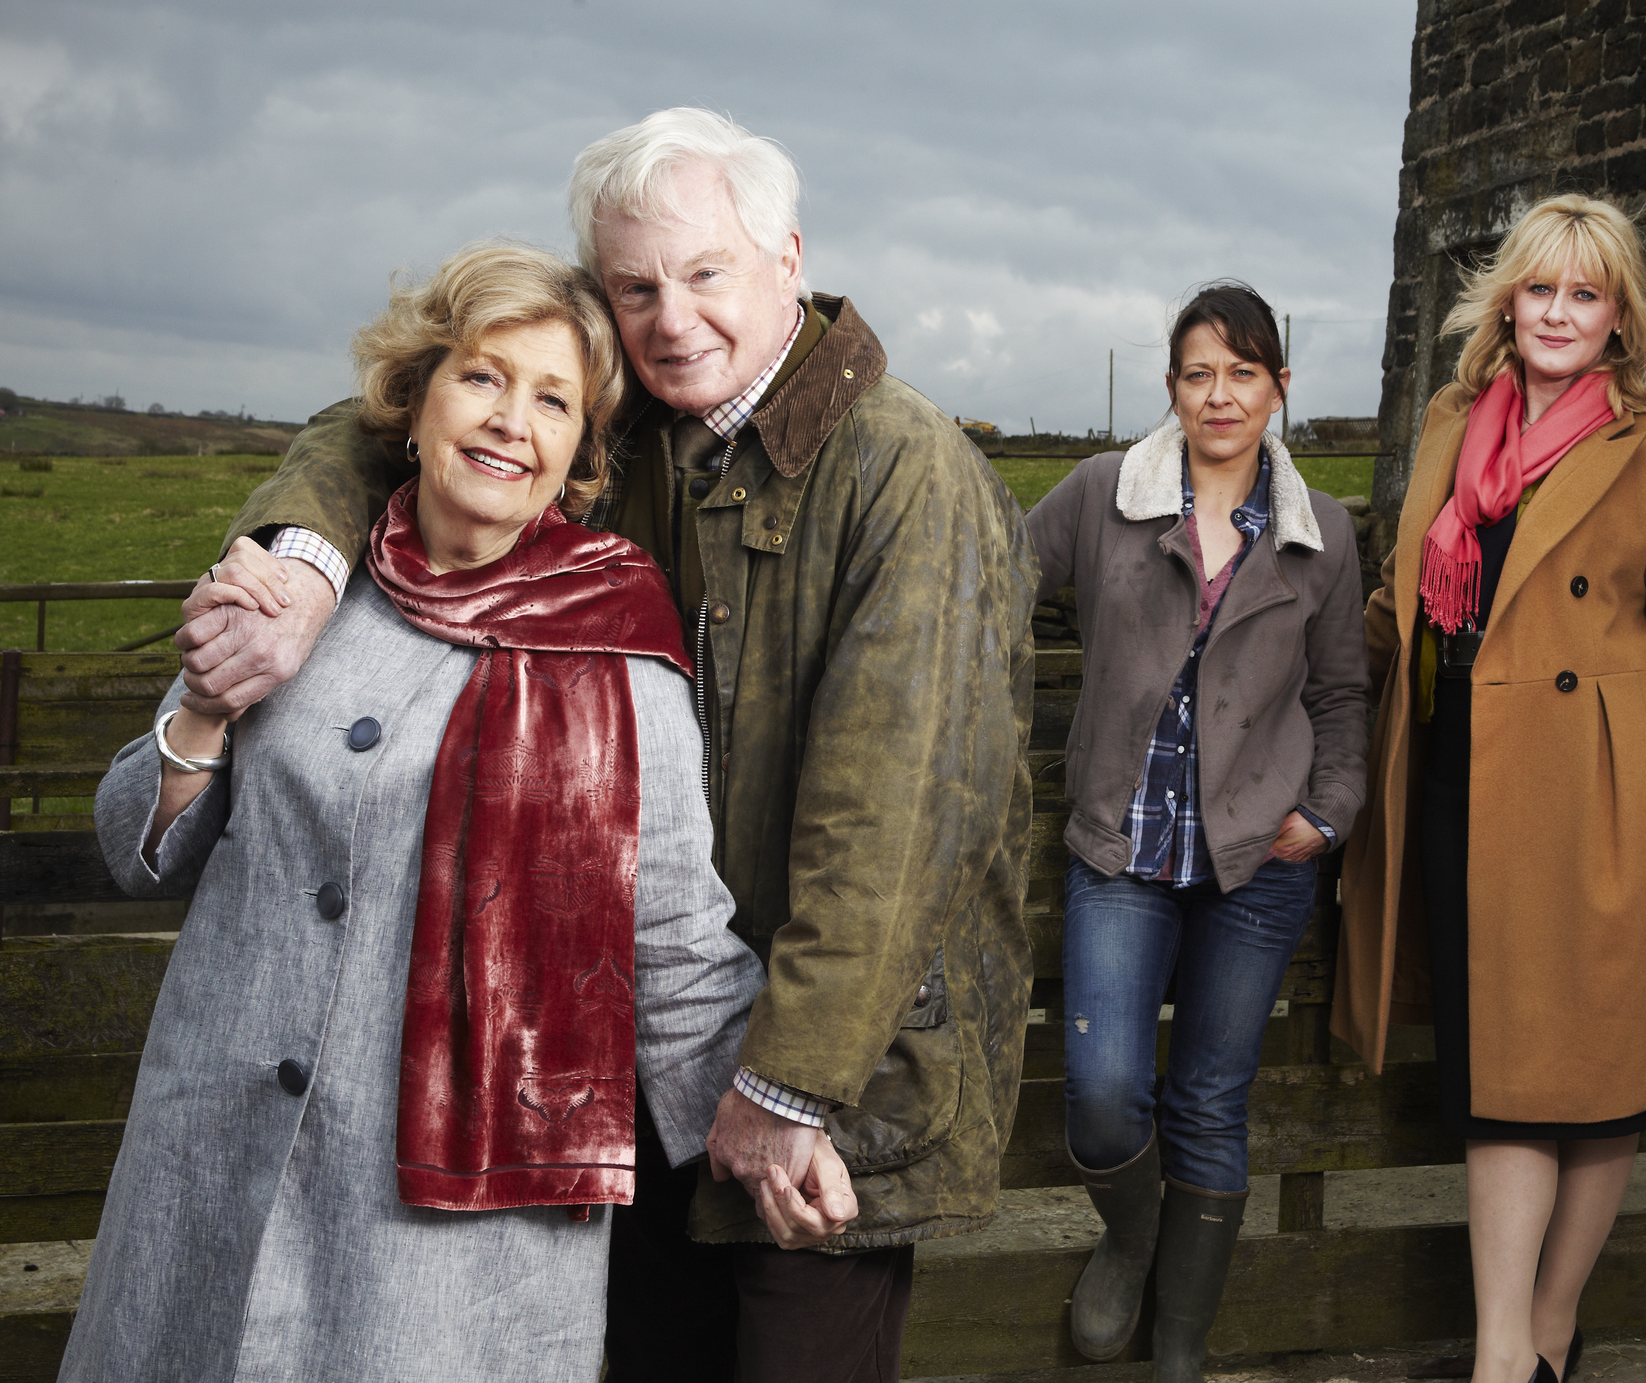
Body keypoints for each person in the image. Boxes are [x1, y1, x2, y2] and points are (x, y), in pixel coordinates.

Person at [174, 109, 1038, 1383]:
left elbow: (899, 817)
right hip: (626, 1055)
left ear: (786, 258)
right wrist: (301, 559)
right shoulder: (621, 419)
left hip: (835, 1070)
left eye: (706, 274)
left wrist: (786, 1085)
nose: (671, 315)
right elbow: (374, 421)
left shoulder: (902, 470)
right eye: (633, 285)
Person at [59, 243, 775, 1383]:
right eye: (483, 378)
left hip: (444, 1227)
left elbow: (675, 940)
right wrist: (200, 706)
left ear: (577, 451)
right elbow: (138, 857)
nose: (510, 422)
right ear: (416, 399)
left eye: (552, 401)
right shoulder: (302, 591)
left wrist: (783, 1115)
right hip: (214, 1158)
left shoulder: (621, 654)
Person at [1333, 195, 1646, 1383]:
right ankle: (1504, 1350)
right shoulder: (1451, 424)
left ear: (1618, 319)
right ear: (1504, 302)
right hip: (1463, 789)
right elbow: (1395, 605)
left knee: (1602, 1081)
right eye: (1539, 289)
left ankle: (1541, 1334)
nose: (1557, 313)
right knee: (1499, 1080)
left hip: (1602, 803)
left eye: (1585, 294)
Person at [1027, 282, 1370, 1380]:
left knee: (1211, 1102)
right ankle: (1130, 1241)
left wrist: (1328, 812)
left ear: (1278, 388)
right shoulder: (1097, 497)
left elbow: (1338, 697)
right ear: (1170, 386)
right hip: (1118, 851)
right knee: (1101, 1090)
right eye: (1196, 373)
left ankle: (1178, 1349)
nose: (1218, 395)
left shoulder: (1323, 535)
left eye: (1242, 372)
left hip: (1254, 865)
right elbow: (984, 588)